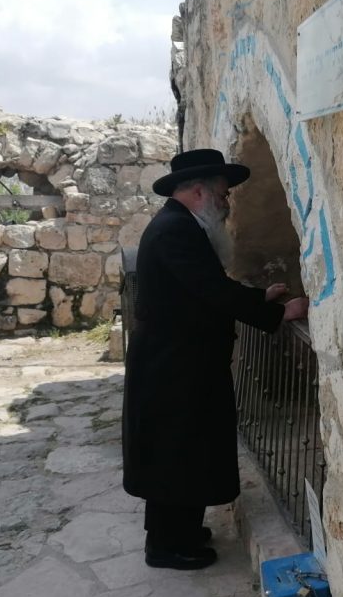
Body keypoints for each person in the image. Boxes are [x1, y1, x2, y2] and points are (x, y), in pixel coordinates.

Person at [122, 148, 309, 570]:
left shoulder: (178, 225)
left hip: (179, 362)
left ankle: (181, 531)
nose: (227, 204)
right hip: (173, 366)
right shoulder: (176, 231)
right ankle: (166, 546)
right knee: (175, 452)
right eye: (223, 195)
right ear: (199, 192)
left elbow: (203, 289)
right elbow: (212, 291)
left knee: (183, 450)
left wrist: (259, 299)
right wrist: (278, 314)